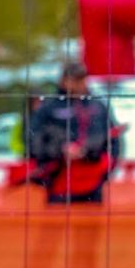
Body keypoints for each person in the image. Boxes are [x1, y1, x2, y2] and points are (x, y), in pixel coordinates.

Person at [27, 61, 114, 203]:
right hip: (59, 184)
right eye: (75, 79)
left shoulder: (98, 107)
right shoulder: (48, 108)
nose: (79, 84)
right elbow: (33, 141)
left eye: (82, 79)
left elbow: (113, 141)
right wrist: (61, 150)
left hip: (93, 185)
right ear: (63, 80)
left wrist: (100, 167)